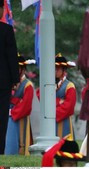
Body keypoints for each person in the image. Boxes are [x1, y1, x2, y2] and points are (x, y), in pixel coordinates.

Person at [36, 53, 76, 139]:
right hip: (49, 121)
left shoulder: (69, 85)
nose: (55, 71)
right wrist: (59, 101)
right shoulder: (48, 84)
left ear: (64, 70)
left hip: (63, 120)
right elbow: (41, 95)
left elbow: (69, 106)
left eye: (57, 69)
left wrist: (52, 112)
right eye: (53, 68)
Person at [4, 55, 35, 155]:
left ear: (22, 69)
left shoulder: (28, 85)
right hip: (7, 115)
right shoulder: (8, 82)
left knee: (20, 141)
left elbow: (26, 106)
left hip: (19, 117)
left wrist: (12, 112)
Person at [0, 0, 20, 154]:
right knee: (1, 119)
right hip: (3, 83)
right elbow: (11, 57)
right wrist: (15, 79)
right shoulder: (6, 30)